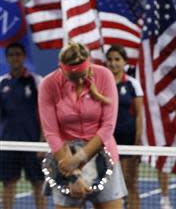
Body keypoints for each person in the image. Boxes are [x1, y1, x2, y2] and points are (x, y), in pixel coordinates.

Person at [38, 42, 128, 208]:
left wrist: (78, 159)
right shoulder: (48, 84)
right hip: (64, 159)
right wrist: (72, 175)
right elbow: (51, 132)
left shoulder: (105, 76)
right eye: (73, 78)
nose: (79, 81)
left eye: (83, 75)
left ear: (89, 63)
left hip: (104, 159)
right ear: (61, 68)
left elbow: (107, 126)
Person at [0, 42, 46, 209]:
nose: (15, 58)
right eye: (11, 55)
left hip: (32, 144)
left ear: (23, 57)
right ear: (7, 58)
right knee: (8, 184)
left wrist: (43, 140)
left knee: (38, 184)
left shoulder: (36, 81)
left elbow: (45, 113)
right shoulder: (2, 83)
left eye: (18, 54)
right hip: (8, 144)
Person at [106, 45, 143, 209]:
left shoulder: (132, 84)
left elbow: (139, 114)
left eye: (117, 59)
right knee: (107, 187)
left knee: (130, 184)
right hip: (107, 141)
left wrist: (138, 141)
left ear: (124, 62)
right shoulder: (102, 84)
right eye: (110, 59)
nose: (113, 63)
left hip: (128, 141)